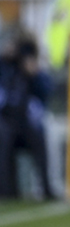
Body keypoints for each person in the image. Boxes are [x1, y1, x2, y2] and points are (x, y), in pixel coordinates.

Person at [0, 32, 52, 200]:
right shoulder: (5, 67)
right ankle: (8, 191)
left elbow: (47, 92)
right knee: (4, 139)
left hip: (26, 121)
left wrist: (34, 73)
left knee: (39, 138)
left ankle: (46, 188)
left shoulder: (34, 73)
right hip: (6, 119)